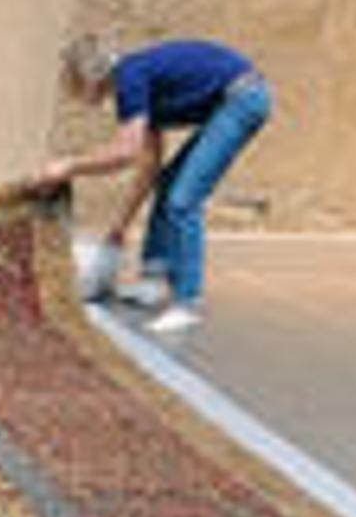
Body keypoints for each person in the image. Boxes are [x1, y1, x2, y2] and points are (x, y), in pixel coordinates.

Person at [32, 34, 274, 335]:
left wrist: (68, 166)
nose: (71, 90)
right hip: (238, 98)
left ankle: (187, 302)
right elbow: (148, 164)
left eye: (71, 81)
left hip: (243, 99)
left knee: (183, 200)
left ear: (89, 76)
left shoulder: (130, 79)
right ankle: (154, 278)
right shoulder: (136, 81)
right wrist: (122, 225)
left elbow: (124, 152)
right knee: (169, 183)